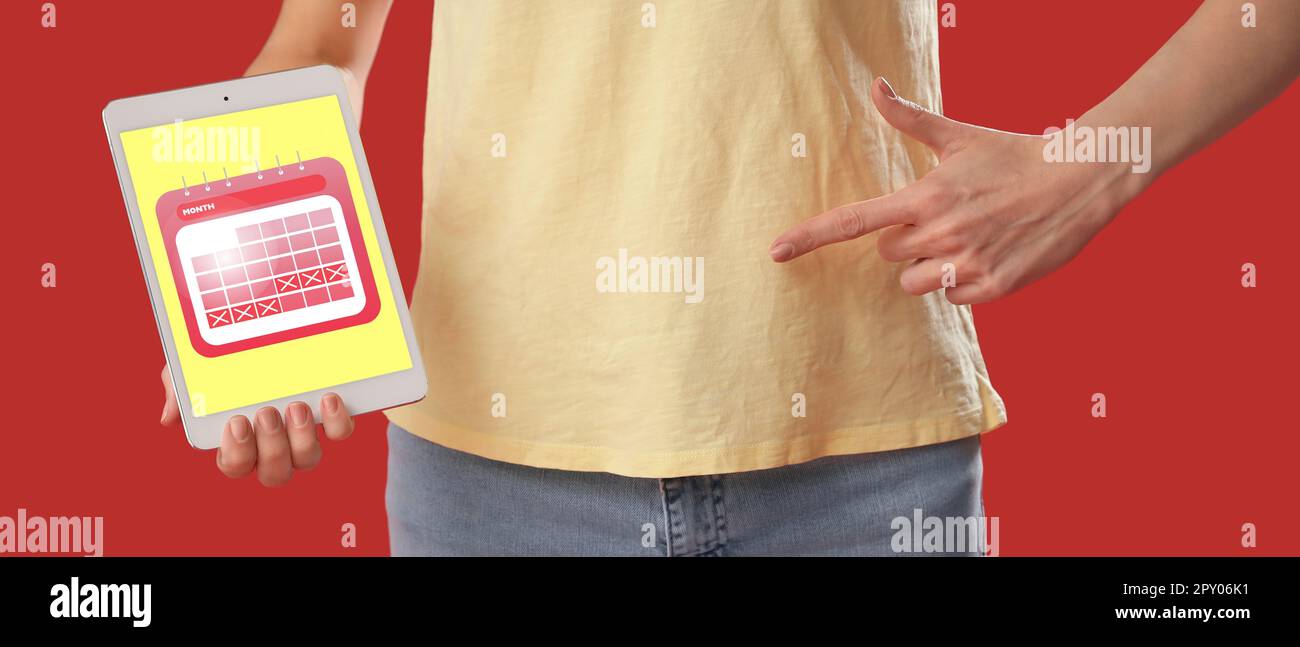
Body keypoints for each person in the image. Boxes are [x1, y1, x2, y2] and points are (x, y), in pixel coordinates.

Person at [159, 0, 1300, 556]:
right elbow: (320, 46)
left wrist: (1087, 168)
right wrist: (237, 314)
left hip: (859, 466)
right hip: (491, 482)